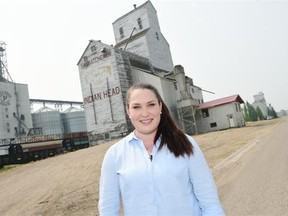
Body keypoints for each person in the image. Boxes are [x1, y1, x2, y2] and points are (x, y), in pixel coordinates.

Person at [98, 83, 225, 216]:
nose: (145, 113)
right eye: (136, 107)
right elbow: (108, 209)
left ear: (160, 107)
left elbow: (209, 202)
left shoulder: (185, 143)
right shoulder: (114, 154)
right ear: (128, 111)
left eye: (151, 104)